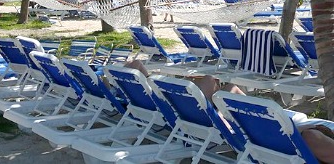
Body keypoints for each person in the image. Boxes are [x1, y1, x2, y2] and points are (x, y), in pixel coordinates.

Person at [121, 60, 334, 163]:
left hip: (258, 130)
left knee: (218, 87)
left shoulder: (309, 139)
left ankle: (140, 78)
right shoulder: (309, 139)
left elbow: (310, 138)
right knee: (225, 89)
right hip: (265, 130)